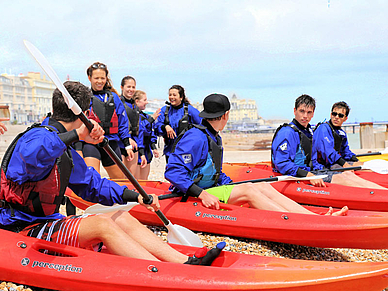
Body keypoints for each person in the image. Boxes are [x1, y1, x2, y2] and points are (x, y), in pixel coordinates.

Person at [0, 81, 223, 265]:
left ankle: (184, 261)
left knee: (121, 217)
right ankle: (162, 273)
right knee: (102, 224)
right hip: (19, 229)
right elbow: (34, 153)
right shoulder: (36, 137)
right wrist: (78, 134)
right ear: (86, 113)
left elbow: (93, 186)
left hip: (47, 222)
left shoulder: (65, 152)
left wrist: (136, 197)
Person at [165, 93, 348, 216]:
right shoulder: (195, 137)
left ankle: (311, 216)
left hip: (209, 189)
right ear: (226, 115)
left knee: (263, 186)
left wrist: (231, 184)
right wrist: (202, 194)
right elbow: (172, 172)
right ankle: (298, 220)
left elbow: (213, 172)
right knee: (250, 190)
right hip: (193, 195)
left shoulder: (212, 135)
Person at [271, 94, 386, 189]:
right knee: (342, 178)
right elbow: (282, 163)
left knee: (347, 175)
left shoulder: (308, 131)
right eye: (302, 111)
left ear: (313, 114)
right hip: (299, 175)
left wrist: (322, 170)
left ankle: (382, 191)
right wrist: (308, 175)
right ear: (295, 111)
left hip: (313, 171)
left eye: (309, 112)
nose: (305, 116)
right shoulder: (287, 132)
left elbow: (313, 159)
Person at [84, 62, 136, 179]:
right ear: (89, 78)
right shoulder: (85, 96)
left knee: (120, 180)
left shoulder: (114, 97)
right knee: (92, 178)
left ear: (106, 78)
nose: (99, 81)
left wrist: (127, 144)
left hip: (111, 142)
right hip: (91, 142)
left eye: (102, 78)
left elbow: (123, 122)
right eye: (96, 78)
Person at [154, 85, 202, 162]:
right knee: (171, 173)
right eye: (170, 95)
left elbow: (201, 126)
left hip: (187, 151)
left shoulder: (190, 110)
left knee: (186, 172)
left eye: (174, 95)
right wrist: (165, 127)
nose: (171, 97)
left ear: (181, 97)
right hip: (170, 151)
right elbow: (157, 126)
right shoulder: (164, 110)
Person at [313, 101, 361, 169]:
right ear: (331, 114)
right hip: (322, 166)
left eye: (340, 115)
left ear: (345, 118)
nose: (336, 117)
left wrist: (355, 159)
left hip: (334, 162)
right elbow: (328, 151)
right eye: (334, 114)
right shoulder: (323, 128)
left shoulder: (341, 133)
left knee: (361, 165)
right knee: (349, 171)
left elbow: (345, 151)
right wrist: (344, 164)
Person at [133, 90, 160, 180]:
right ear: (137, 101)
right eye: (144, 100)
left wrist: (154, 147)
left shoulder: (146, 116)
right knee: (136, 181)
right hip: (137, 151)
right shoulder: (133, 116)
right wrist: (151, 119)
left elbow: (151, 132)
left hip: (146, 151)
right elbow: (140, 130)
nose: (147, 102)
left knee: (144, 180)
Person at [119, 76, 140, 176]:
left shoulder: (134, 105)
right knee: (121, 177)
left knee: (133, 178)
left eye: (133, 87)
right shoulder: (117, 102)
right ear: (122, 87)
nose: (131, 89)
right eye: (128, 87)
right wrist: (127, 139)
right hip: (120, 143)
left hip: (134, 143)